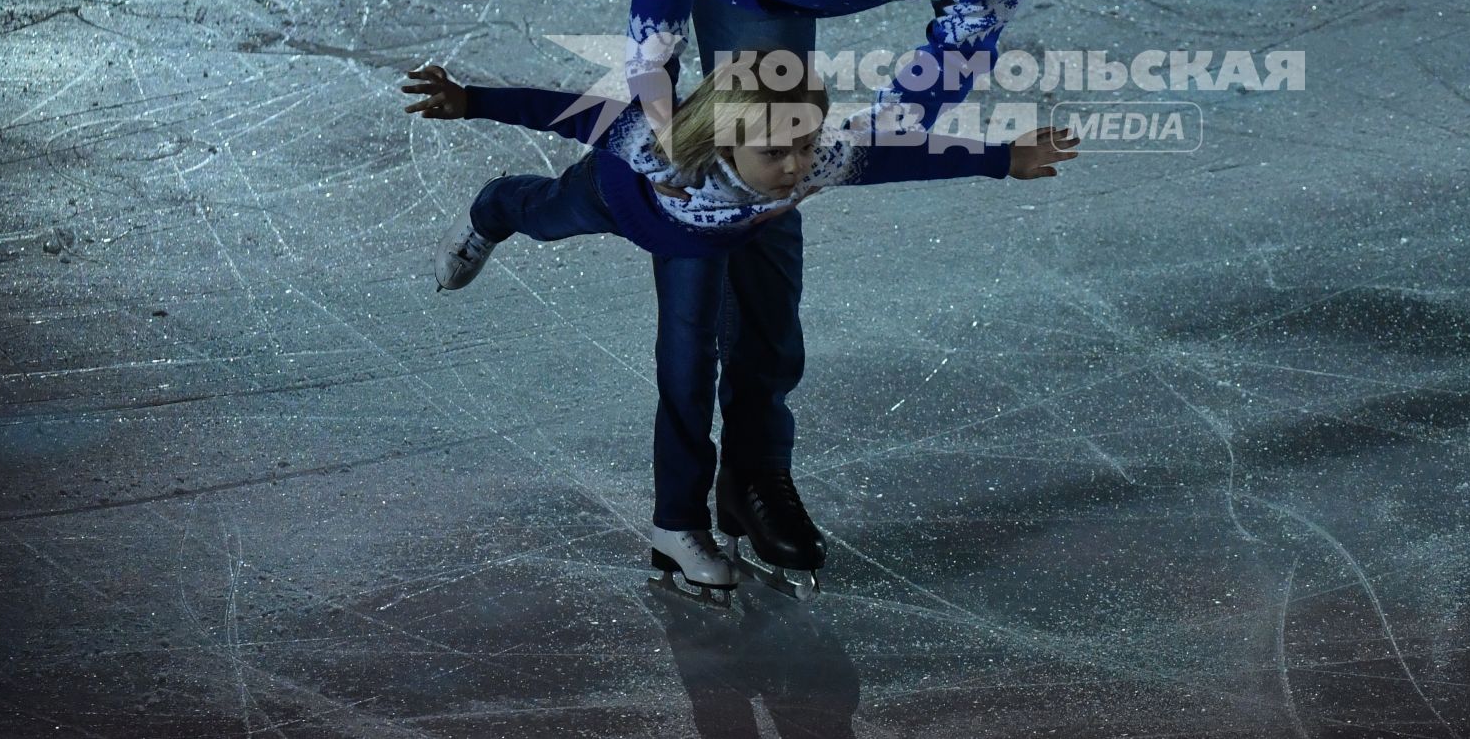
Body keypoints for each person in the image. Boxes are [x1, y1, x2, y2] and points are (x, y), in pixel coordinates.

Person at [316, 0, 1044, 596]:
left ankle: (754, 474)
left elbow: (940, 76)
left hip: (763, 3)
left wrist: (833, 157)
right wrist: (652, 80)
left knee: (770, 214)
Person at [400, 55, 1077, 600]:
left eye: (806, 145)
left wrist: (1000, 158)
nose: (796, 167)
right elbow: (564, 113)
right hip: (619, 198)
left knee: (687, 370)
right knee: (543, 216)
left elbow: (897, 154)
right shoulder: (655, 147)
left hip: (697, 249)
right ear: (725, 140)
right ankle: (491, 209)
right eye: (778, 151)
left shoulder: (816, 159)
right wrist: (470, 100)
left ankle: (678, 524)